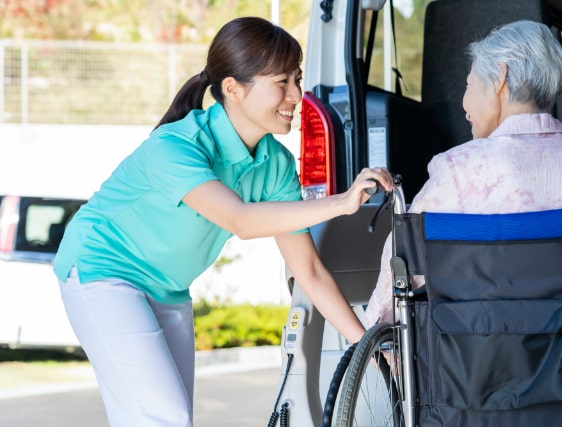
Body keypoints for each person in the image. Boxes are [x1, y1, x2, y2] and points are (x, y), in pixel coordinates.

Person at [53, 16, 393, 427]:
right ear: (233, 88)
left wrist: (367, 348)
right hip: (101, 272)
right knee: (164, 416)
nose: (296, 95)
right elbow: (242, 221)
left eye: (297, 79)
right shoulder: (177, 146)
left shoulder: (276, 165)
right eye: (281, 82)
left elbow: (309, 271)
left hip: (168, 288)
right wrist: (341, 203)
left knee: (166, 417)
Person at [364, 19, 562, 327]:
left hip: (471, 363)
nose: (464, 103)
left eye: (469, 85)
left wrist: (376, 337)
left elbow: (402, 266)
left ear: (500, 77)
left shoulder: (459, 170)